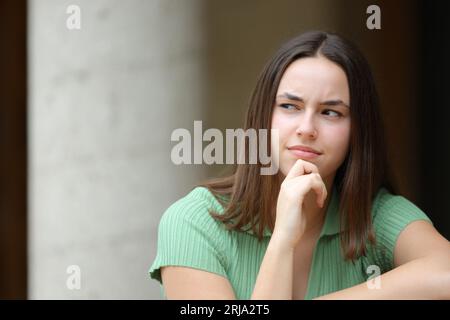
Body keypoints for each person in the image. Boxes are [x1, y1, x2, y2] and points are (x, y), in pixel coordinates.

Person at [148, 30, 450, 299]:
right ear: (263, 117)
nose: (307, 128)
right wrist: (282, 241)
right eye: (290, 106)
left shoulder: (375, 217)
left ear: (358, 131)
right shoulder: (195, 223)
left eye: (331, 112)